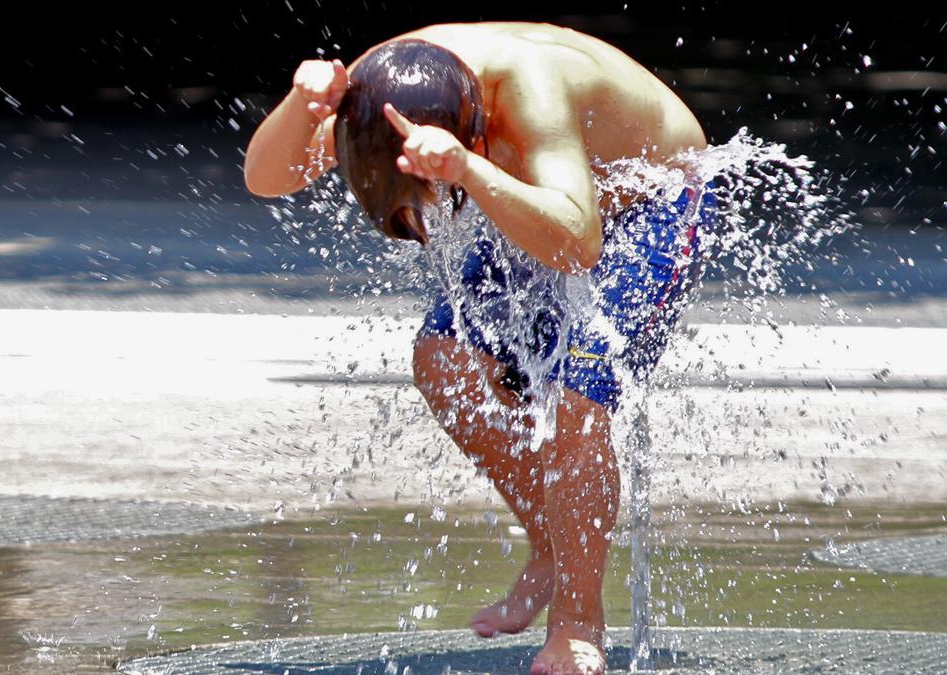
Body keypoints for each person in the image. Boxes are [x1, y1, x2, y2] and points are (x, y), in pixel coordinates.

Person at [244, 22, 712, 675]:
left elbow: (578, 241)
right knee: (444, 358)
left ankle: (578, 625)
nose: (435, 214)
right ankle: (552, 543)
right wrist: (302, 105)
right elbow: (267, 178)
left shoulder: (530, 87)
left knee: (574, 401)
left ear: (477, 133)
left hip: (647, 204)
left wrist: (466, 170)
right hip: (534, 194)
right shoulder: (381, 89)